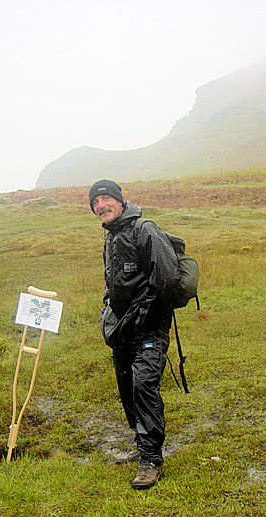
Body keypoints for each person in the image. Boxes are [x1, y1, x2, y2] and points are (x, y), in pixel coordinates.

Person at [89, 179, 179, 490]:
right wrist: (107, 313)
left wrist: (143, 318)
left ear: (119, 200)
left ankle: (151, 460)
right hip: (122, 330)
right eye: (96, 202)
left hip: (149, 328)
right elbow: (112, 282)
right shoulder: (112, 237)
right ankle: (141, 446)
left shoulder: (145, 229)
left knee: (144, 386)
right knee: (127, 388)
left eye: (105, 199)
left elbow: (165, 279)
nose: (101, 205)